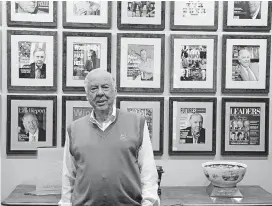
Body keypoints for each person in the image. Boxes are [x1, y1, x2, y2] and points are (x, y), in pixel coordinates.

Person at [59, 69, 159, 206]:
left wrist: (149, 202)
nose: (100, 93)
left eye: (105, 87)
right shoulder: (74, 129)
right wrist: (65, 203)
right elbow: (68, 176)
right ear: (87, 95)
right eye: (93, 89)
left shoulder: (137, 123)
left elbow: (148, 172)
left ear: (115, 91)